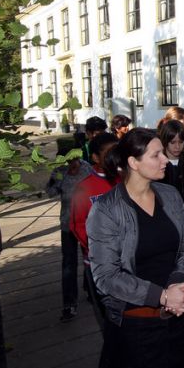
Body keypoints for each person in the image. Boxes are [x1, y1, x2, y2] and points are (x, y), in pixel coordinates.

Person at [87, 128, 184, 368]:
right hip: (137, 327)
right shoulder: (106, 210)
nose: (165, 159)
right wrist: (162, 296)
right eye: (156, 155)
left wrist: (178, 280)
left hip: (178, 316)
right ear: (133, 162)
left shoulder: (169, 194)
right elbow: (106, 276)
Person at [70, 133, 119, 324]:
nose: (114, 157)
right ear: (96, 157)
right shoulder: (85, 188)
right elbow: (78, 225)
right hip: (99, 263)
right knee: (108, 315)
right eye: (108, 153)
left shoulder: (125, 180)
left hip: (127, 259)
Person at [46, 143, 93, 322]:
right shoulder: (60, 172)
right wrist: (54, 179)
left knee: (91, 259)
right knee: (68, 263)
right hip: (68, 224)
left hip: (87, 223)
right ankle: (69, 304)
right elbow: (50, 192)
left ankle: (91, 290)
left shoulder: (87, 169)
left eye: (74, 160)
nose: (72, 164)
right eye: (68, 161)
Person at [159, 119, 184, 222]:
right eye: (172, 142)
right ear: (165, 141)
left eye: (181, 142)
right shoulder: (158, 163)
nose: (177, 147)